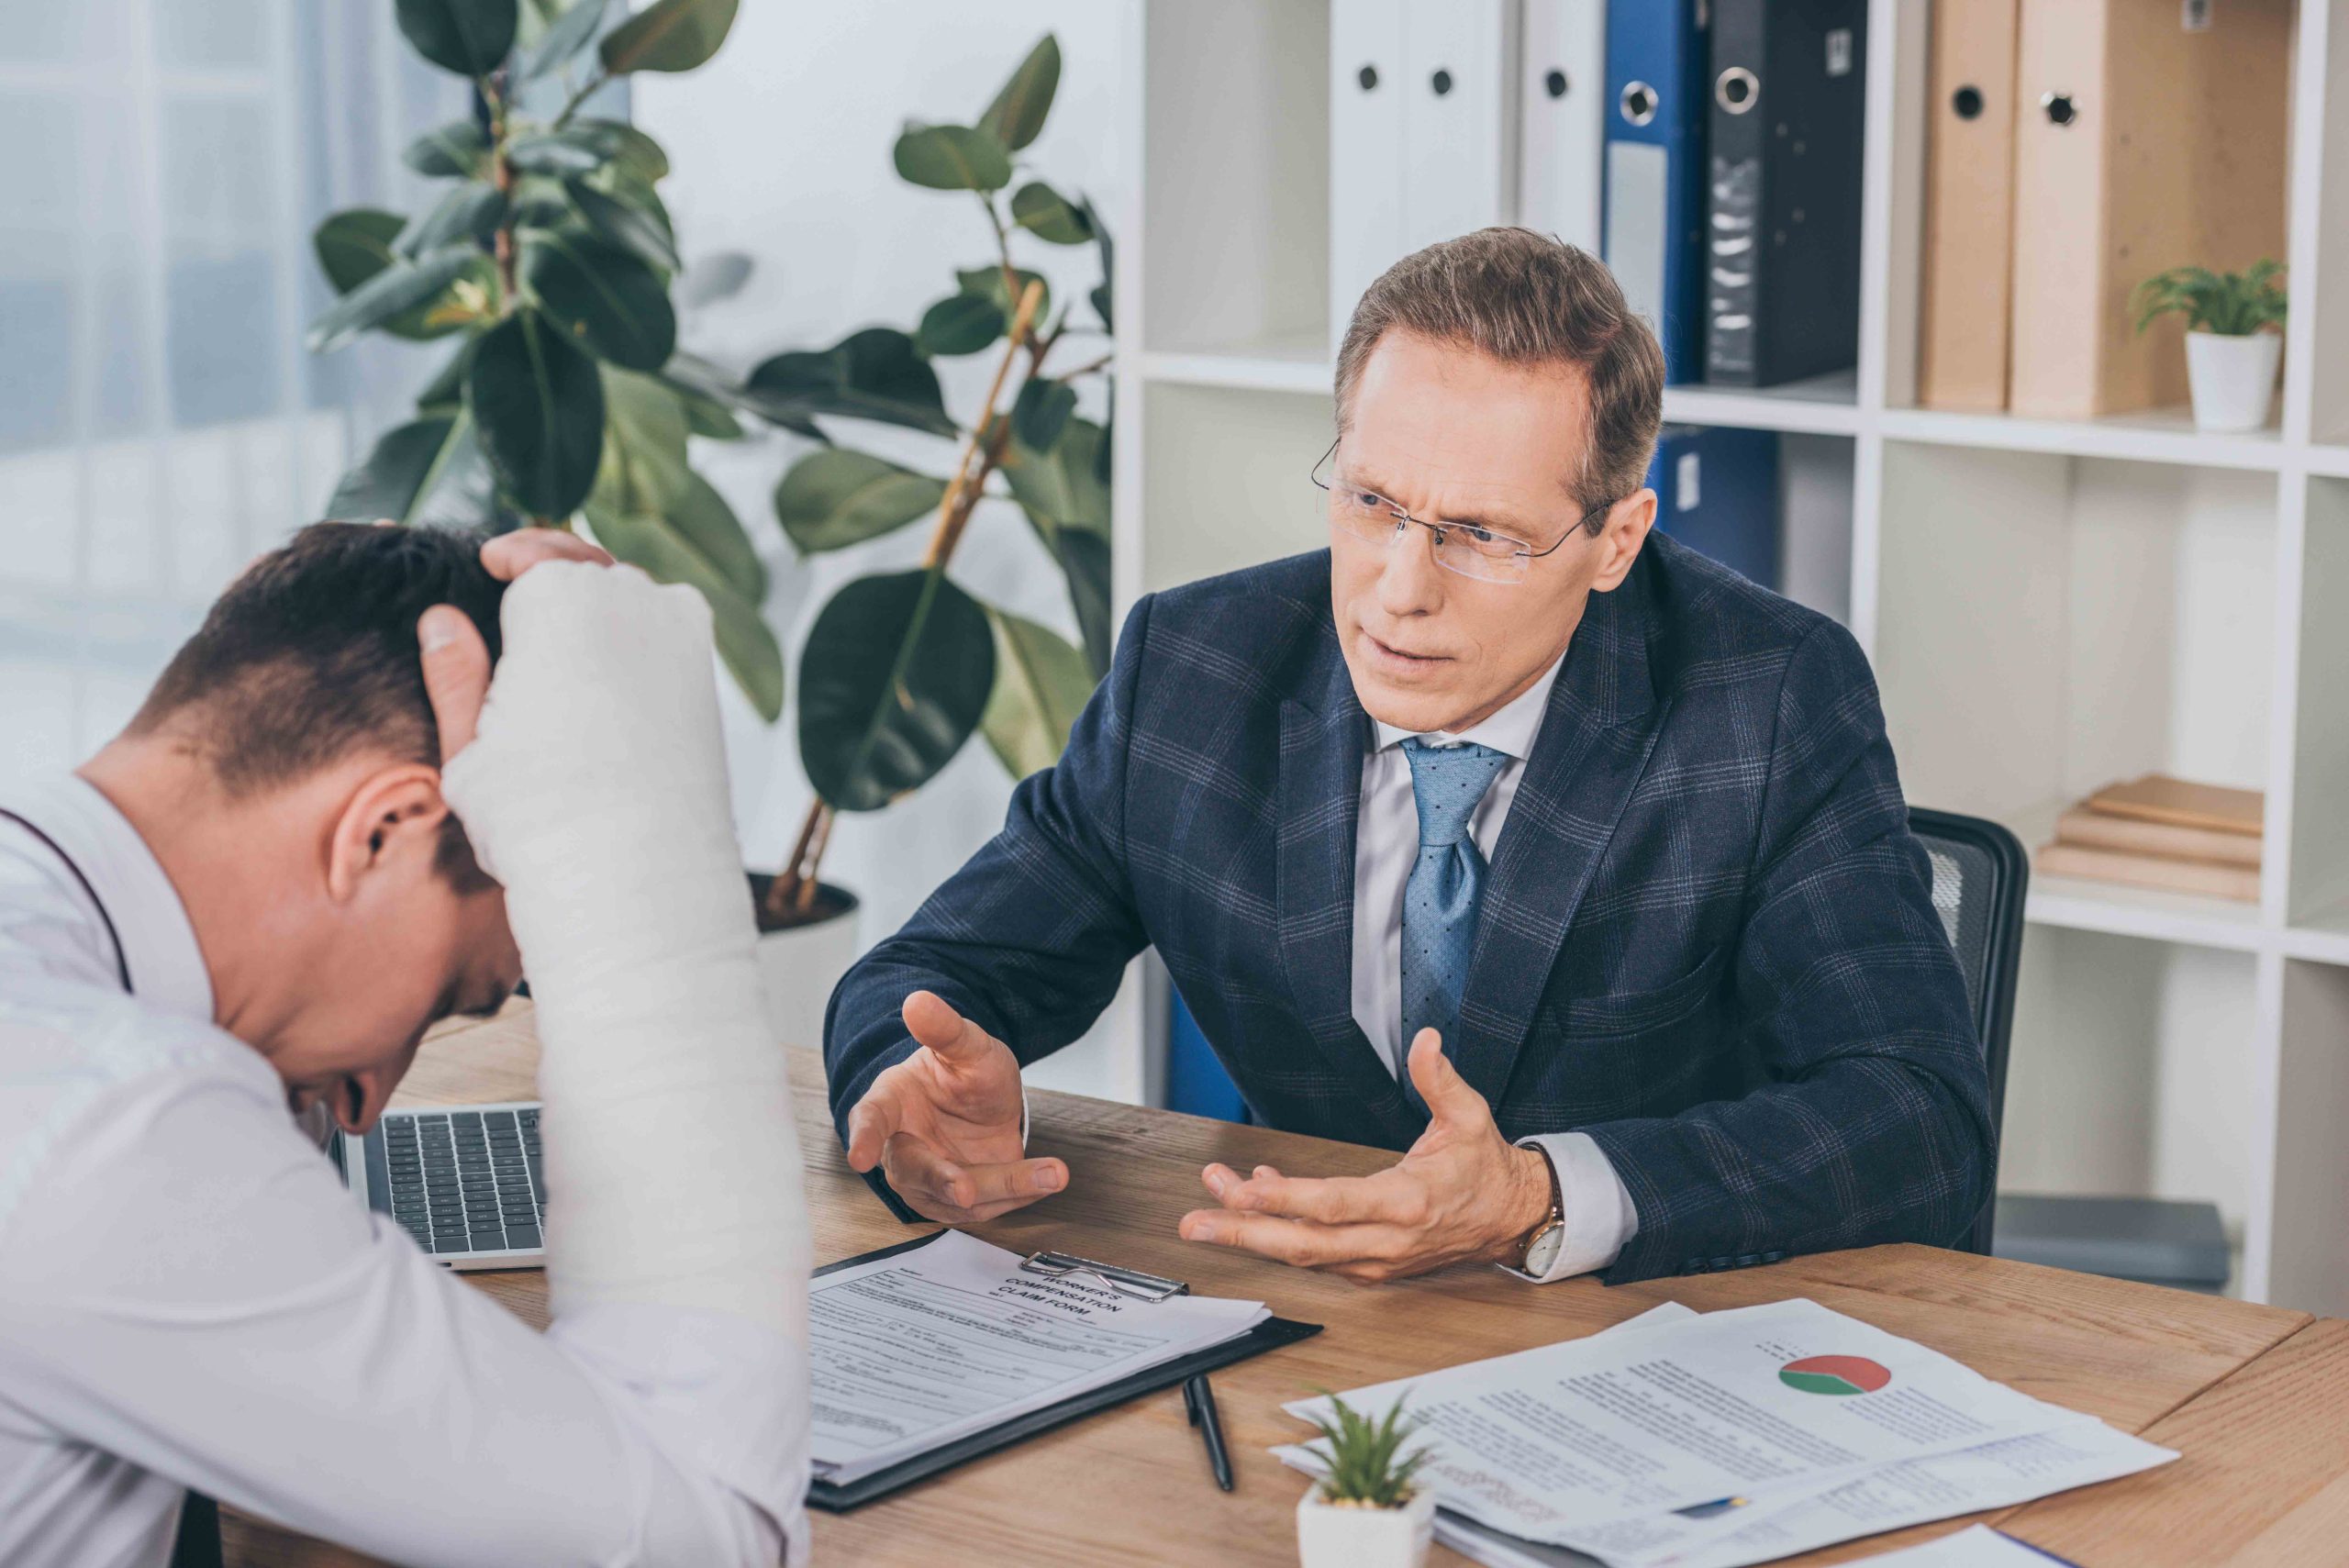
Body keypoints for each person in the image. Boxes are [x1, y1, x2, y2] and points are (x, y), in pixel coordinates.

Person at [825, 228, 1993, 1286]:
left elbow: (1917, 1119)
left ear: (1615, 541)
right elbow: (932, 973)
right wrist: (918, 1097)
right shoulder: (1194, 671)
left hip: (1650, 1332)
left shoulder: (1767, 697)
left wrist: (1536, 1196)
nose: (1400, 590)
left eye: (1481, 533)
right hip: (1304, 1336)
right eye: (1375, 502)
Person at [0, 524, 815, 1567]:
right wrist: (646, 865)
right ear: (382, 829)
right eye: (448, 997)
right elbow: (705, 1532)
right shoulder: (104, 1131)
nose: (365, 1107)